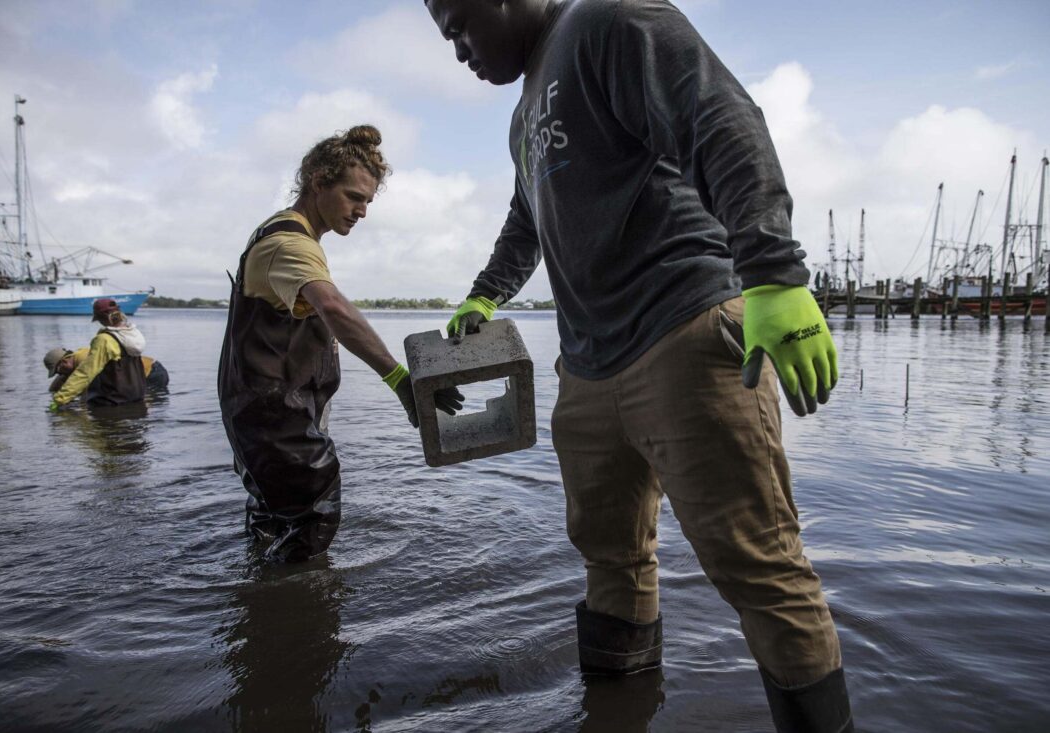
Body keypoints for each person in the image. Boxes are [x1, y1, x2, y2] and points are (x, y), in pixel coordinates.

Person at [425, 1, 851, 731]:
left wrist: (773, 274)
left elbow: (718, 114)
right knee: (610, 560)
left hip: (684, 332)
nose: (459, 49)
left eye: (462, 24)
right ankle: (619, 712)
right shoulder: (520, 114)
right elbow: (528, 220)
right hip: (587, 372)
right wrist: (484, 296)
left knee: (760, 570)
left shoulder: (607, 20)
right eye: (447, 37)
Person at [218, 125, 464, 564]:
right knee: (311, 520)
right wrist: (398, 378)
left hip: (265, 415)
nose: (362, 211)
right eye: (354, 197)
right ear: (318, 183)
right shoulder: (288, 243)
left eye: (368, 201)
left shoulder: (290, 238)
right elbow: (334, 308)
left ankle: (261, 608)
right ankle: (300, 619)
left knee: (272, 523)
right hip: (274, 419)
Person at [47, 299, 149, 410]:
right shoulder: (132, 334)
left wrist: (60, 399)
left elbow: (85, 373)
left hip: (112, 402)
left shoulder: (104, 340)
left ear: (100, 318)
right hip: (137, 399)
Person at [44, 345, 169, 395]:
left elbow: (87, 395)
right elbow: (60, 382)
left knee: (140, 406)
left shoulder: (84, 360)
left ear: (65, 361)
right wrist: (53, 393)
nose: (60, 375)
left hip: (151, 374)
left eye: (59, 371)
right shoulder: (76, 358)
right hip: (149, 370)